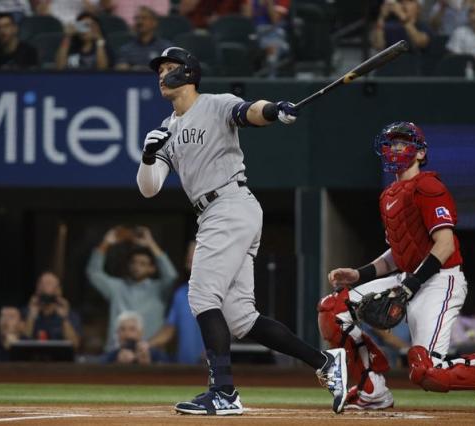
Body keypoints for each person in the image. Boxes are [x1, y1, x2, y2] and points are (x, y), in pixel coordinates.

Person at [136, 46, 348, 416]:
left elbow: (249, 112)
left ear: (188, 73)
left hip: (229, 204)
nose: (161, 74)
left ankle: (223, 392)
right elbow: (149, 187)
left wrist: (274, 109)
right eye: (160, 69)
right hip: (219, 213)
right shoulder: (167, 127)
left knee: (202, 296)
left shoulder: (215, 103)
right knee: (240, 319)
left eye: (169, 68)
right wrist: (149, 155)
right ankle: (327, 363)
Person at [323, 121, 475, 412]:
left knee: (427, 373)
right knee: (333, 308)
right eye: (391, 143)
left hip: (440, 280)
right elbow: (399, 254)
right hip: (411, 277)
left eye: (403, 143)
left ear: (420, 153)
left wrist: (411, 285)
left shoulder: (428, 185)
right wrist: (360, 274)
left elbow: (444, 245)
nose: (395, 148)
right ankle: (372, 389)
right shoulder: (390, 195)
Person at [86, 225, 178, 351]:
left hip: (149, 354)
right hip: (116, 354)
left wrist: (150, 243)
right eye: (133, 262)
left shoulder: (159, 290)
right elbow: (93, 273)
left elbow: (171, 276)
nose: (136, 266)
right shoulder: (117, 287)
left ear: (152, 269)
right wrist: (106, 243)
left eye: (142, 263)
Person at [147, 240, 205, 364]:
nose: (190, 259)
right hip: (185, 370)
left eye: (196, 255)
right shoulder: (181, 293)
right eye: (189, 258)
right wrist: (145, 346)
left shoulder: (224, 292)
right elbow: (169, 330)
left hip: (217, 370)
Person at [23, 271, 81, 349]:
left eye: (49, 283)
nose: (44, 287)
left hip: (60, 359)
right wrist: (31, 317)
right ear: (37, 288)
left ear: (59, 290)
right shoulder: (26, 312)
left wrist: (64, 319)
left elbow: (74, 345)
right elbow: (22, 343)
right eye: (42, 283)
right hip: (32, 358)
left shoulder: (71, 315)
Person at [241, 0, 290, 78]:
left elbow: (275, 20)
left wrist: (269, 3)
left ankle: (271, 78)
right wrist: (250, 4)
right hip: (254, 32)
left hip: (272, 31)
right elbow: (246, 20)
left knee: (272, 48)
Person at [115, 6, 171, 71]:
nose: (139, 21)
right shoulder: (126, 49)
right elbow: (120, 68)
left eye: (144, 18)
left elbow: (170, 69)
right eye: (137, 18)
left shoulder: (165, 48)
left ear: (154, 23)